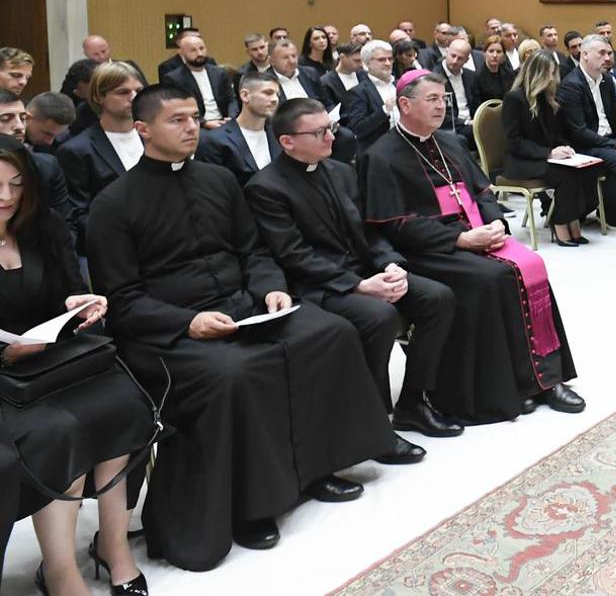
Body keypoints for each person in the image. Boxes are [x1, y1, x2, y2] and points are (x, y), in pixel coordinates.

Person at [88, 84, 395, 570]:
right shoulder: (113, 205)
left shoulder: (219, 180)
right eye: (177, 120)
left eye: (194, 117)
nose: (191, 128)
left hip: (241, 305)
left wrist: (271, 287)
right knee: (236, 374)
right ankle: (250, 505)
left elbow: (253, 252)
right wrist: (188, 321)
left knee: (328, 334)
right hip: (168, 330)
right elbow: (121, 301)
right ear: (143, 129)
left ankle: (314, 470)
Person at [359, 71, 585, 422]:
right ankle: (512, 386)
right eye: (431, 98)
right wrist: (459, 239)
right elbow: (394, 224)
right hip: (428, 250)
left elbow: (483, 190)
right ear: (405, 104)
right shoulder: (381, 156)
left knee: (530, 266)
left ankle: (544, 380)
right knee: (493, 278)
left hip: (477, 234)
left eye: (443, 98)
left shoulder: (449, 141)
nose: (440, 105)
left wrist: (496, 223)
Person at [247, 97, 460, 447]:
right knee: (378, 317)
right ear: (287, 141)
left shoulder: (342, 171)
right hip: (316, 284)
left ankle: (414, 402)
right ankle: (375, 424)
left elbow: (370, 232)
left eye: (330, 128)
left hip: (362, 270)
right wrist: (360, 286)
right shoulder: (266, 187)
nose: (332, 137)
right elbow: (293, 255)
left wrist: (390, 265)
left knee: (437, 297)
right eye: (319, 133)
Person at [0, 137, 153, 596]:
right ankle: (61, 571)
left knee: (123, 405)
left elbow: (67, 292)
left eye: (16, 184)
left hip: (49, 361)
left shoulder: (41, 226)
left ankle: (112, 545)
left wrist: (81, 304)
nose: (6, 197)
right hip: (8, 379)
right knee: (57, 434)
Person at [503, 58, 596, 247]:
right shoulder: (514, 98)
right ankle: (561, 224)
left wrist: (565, 148)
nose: (553, 78)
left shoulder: (547, 98)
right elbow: (515, 142)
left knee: (582, 169)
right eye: (549, 73)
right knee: (565, 175)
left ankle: (573, 221)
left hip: (544, 156)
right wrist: (549, 153)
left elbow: (556, 134)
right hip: (522, 161)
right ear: (536, 74)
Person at [58, 62, 145, 247]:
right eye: (123, 92)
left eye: (138, 90)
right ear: (99, 97)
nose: (134, 97)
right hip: (114, 246)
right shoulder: (76, 150)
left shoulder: (155, 136)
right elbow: (78, 214)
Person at [556, 35, 616, 230]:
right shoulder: (571, 85)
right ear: (584, 54)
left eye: (609, 53)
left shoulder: (606, 80)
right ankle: (607, 210)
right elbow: (578, 131)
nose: (608, 57)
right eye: (602, 53)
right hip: (583, 144)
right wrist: (615, 144)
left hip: (606, 138)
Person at [195, 71, 281, 186]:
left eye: (277, 94)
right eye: (268, 93)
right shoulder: (213, 141)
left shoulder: (279, 134)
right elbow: (210, 188)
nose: (275, 99)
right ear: (245, 95)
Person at [0, 91, 71, 224]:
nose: (20, 127)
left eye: (23, 118)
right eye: (5, 119)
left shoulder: (47, 166)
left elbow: (65, 224)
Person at [161, 32, 232, 130]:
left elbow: (232, 100)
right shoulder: (173, 79)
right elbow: (179, 108)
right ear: (182, 53)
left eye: (202, 48)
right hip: (197, 126)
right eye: (193, 50)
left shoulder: (219, 73)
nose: (199, 53)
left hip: (225, 122)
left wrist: (230, 118)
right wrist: (204, 123)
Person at [343, 39, 398, 149]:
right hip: (377, 150)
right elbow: (358, 129)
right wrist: (384, 111)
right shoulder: (358, 92)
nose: (387, 63)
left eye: (390, 59)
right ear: (367, 63)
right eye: (381, 59)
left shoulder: (400, 84)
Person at [438, 37, 480, 148]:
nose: (455, 61)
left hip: (471, 122)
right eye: (453, 56)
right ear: (446, 52)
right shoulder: (434, 77)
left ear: (467, 60)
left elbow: (476, 103)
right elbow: (439, 113)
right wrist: (464, 122)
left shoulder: (471, 76)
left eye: (460, 58)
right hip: (449, 126)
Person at [318, 41, 364, 112]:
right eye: (357, 61)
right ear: (342, 57)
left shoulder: (364, 75)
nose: (361, 64)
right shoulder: (326, 82)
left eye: (362, 60)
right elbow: (330, 109)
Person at [474, 36, 515, 108]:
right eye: (491, 51)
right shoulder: (477, 76)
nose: (495, 55)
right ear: (484, 53)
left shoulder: (509, 74)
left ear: (504, 55)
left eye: (499, 52)